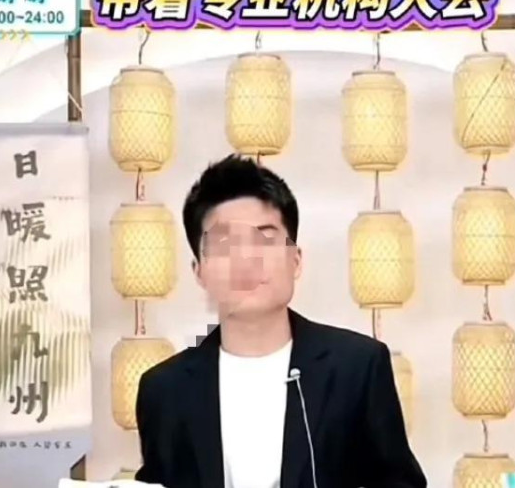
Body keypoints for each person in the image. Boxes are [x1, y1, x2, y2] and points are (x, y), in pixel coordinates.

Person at [134, 154, 428, 488]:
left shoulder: (357, 368)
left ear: (296, 260)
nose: (247, 259)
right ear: (199, 272)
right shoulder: (164, 390)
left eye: (264, 238)